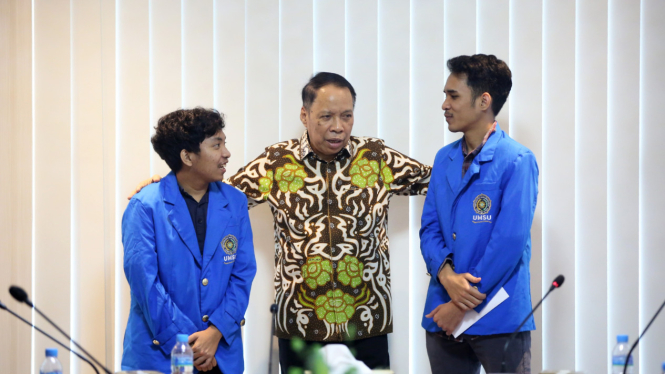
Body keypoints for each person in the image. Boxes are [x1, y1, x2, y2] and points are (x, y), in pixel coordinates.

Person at [131, 73, 431, 372]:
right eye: (326, 116)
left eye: (347, 116)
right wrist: (168, 184)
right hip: (300, 320)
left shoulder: (377, 157)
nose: (338, 127)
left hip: (367, 318)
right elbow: (217, 194)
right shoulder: (277, 162)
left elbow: (436, 179)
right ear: (305, 115)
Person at [419, 54, 538, 374]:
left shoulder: (517, 160)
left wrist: (460, 304)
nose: (445, 104)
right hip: (441, 316)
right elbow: (429, 228)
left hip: (498, 318)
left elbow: (508, 243)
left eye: (453, 95)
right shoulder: (444, 159)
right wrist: (446, 276)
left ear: (484, 100)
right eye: (445, 94)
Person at [121, 108, 256, 374]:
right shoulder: (145, 205)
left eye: (224, 143)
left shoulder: (236, 202)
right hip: (160, 355)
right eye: (217, 145)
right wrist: (191, 345)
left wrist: (215, 332)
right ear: (187, 156)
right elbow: (146, 285)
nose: (226, 153)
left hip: (220, 353)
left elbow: (242, 274)